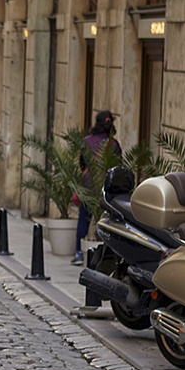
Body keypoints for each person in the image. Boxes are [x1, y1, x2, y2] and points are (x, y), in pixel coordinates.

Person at [72, 110, 122, 266]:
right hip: (106, 188)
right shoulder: (113, 144)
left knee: (83, 219)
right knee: (107, 221)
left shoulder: (87, 141)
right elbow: (118, 166)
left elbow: (82, 164)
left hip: (88, 185)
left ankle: (79, 253)